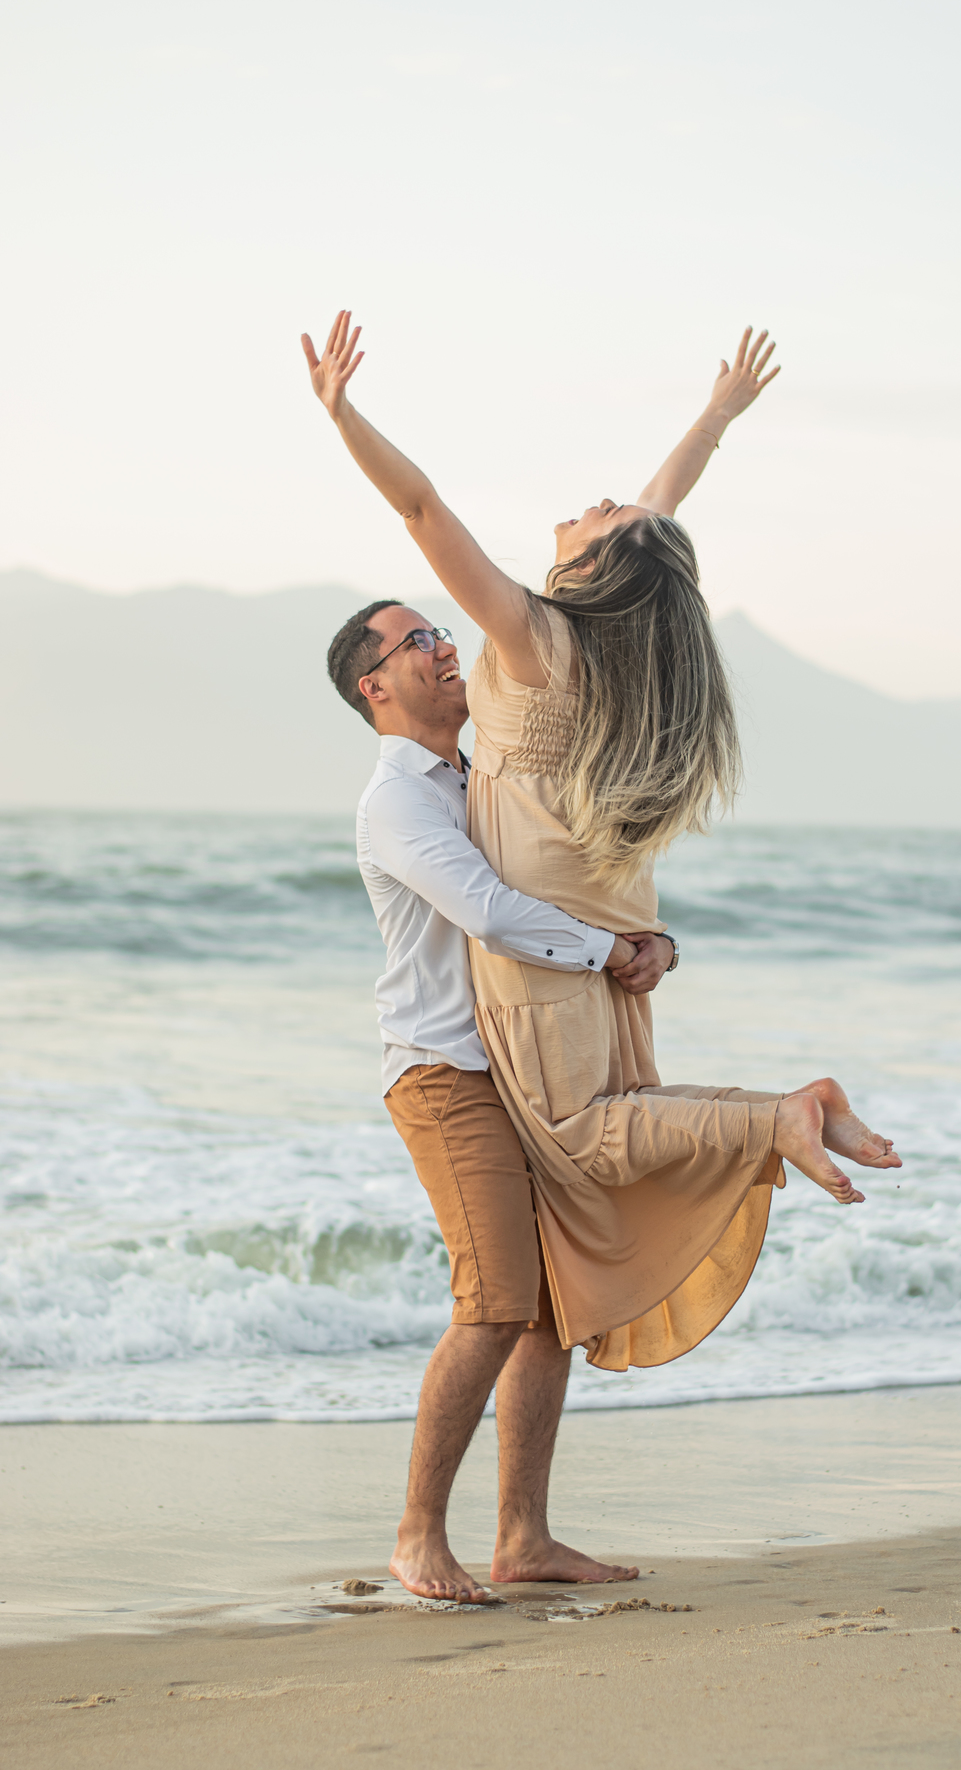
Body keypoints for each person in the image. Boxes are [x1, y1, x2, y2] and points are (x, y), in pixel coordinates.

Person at [304, 310, 900, 1378]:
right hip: (611, 932)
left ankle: (782, 1115)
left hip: (561, 955)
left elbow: (421, 506)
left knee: (587, 1135)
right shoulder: (625, 643)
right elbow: (660, 516)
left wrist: (344, 415)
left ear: (600, 564)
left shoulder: (533, 640)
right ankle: (783, 1115)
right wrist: (714, 416)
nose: (590, 505)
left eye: (601, 515)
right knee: (619, 1128)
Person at [326, 595, 671, 1603]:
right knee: (493, 1304)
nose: (446, 649)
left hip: (522, 1067)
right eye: (419, 641)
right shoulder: (396, 800)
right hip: (444, 1073)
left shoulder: (487, 779)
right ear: (374, 686)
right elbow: (488, 910)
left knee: (548, 1311)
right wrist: (609, 953)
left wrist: (650, 939)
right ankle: (416, 1536)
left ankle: (523, 1537)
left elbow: (567, 881)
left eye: (442, 631)